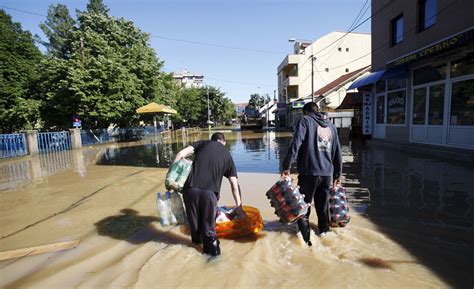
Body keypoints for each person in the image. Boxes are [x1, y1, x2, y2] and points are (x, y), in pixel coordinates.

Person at [173, 132, 246, 257]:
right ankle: (214, 261)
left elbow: (180, 154)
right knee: (209, 231)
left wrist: (171, 176)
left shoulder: (202, 144)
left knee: (195, 230)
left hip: (189, 191)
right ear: (223, 142)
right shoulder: (227, 155)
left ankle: (196, 252)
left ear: (211, 140)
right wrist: (239, 207)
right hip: (209, 194)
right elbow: (234, 184)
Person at [281, 102, 342, 246]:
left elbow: (296, 143)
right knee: (322, 207)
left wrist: (286, 166)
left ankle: (306, 241)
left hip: (309, 172)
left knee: (304, 207)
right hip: (327, 174)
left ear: (306, 112)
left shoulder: (305, 120)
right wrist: (338, 175)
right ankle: (325, 233)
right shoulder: (331, 126)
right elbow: (337, 151)